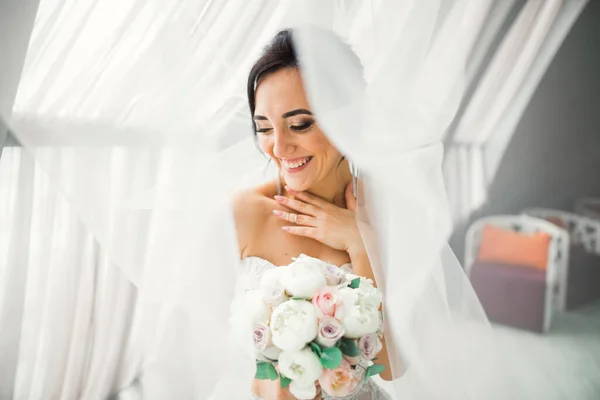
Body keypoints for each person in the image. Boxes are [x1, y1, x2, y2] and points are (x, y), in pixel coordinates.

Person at [234, 29, 393, 400]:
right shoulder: (245, 213)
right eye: (263, 128)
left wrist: (360, 242)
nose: (279, 146)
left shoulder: (383, 210)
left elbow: (394, 364)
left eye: (300, 124)